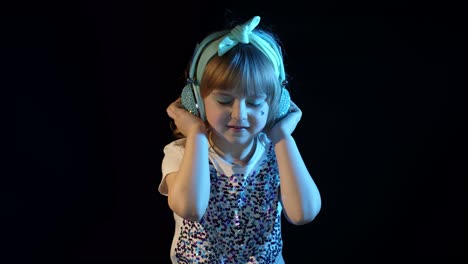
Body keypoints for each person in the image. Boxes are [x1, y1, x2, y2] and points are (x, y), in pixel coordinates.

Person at [158, 15, 321, 263]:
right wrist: (197, 135)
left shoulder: (279, 153)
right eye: (224, 100)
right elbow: (190, 208)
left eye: (255, 103)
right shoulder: (180, 153)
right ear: (197, 100)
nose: (239, 114)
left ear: (275, 106)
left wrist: (283, 137)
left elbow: (303, 213)